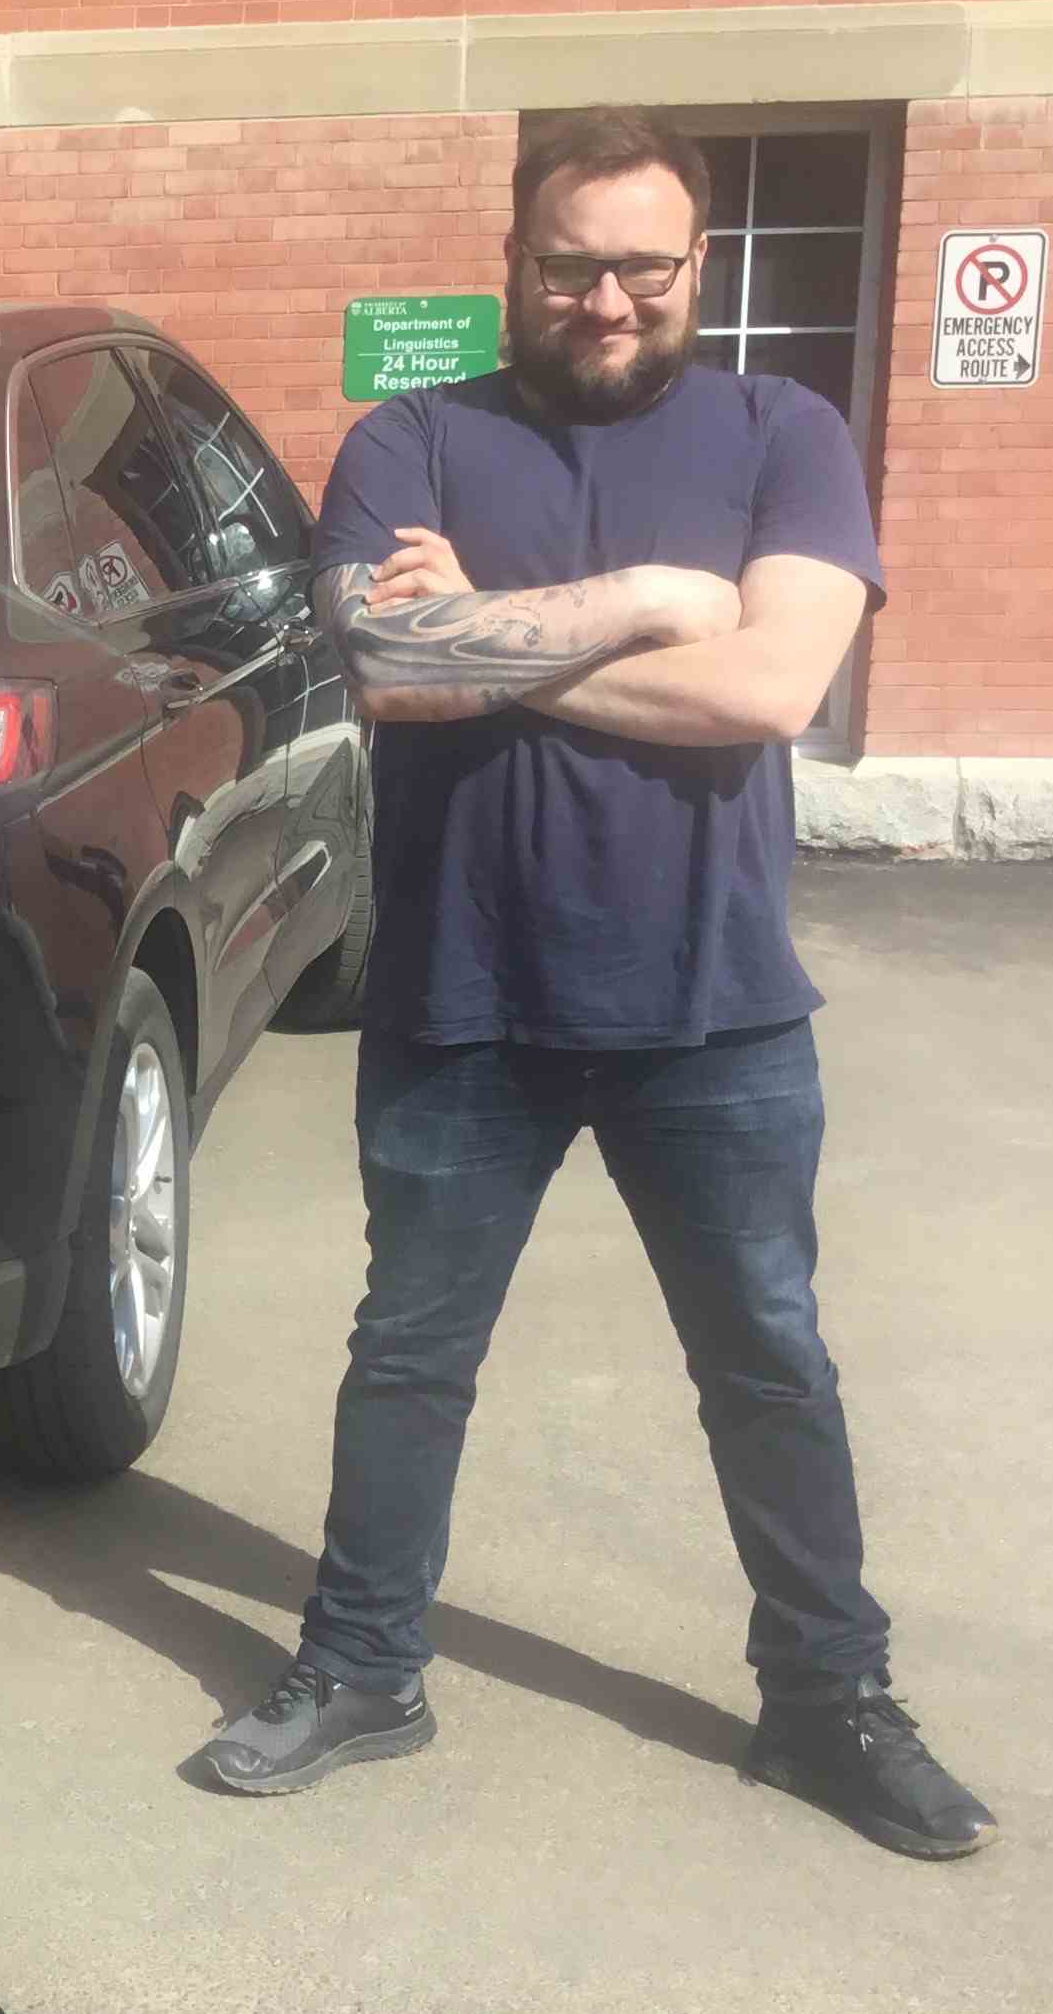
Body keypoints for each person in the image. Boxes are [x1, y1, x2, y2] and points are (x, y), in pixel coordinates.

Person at [195, 107, 995, 1860]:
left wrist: (501, 638)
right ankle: (362, 1668)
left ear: (695, 265)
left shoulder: (787, 432)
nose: (609, 298)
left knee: (769, 1364)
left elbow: (770, 692)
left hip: (716, 1009)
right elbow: (390, 663)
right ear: (514, 265)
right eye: (573, 265)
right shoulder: (413, 436)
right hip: (460, 1002)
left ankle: (827, 1702)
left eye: (645, 264)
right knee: (408, 1357)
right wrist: (640, 599)